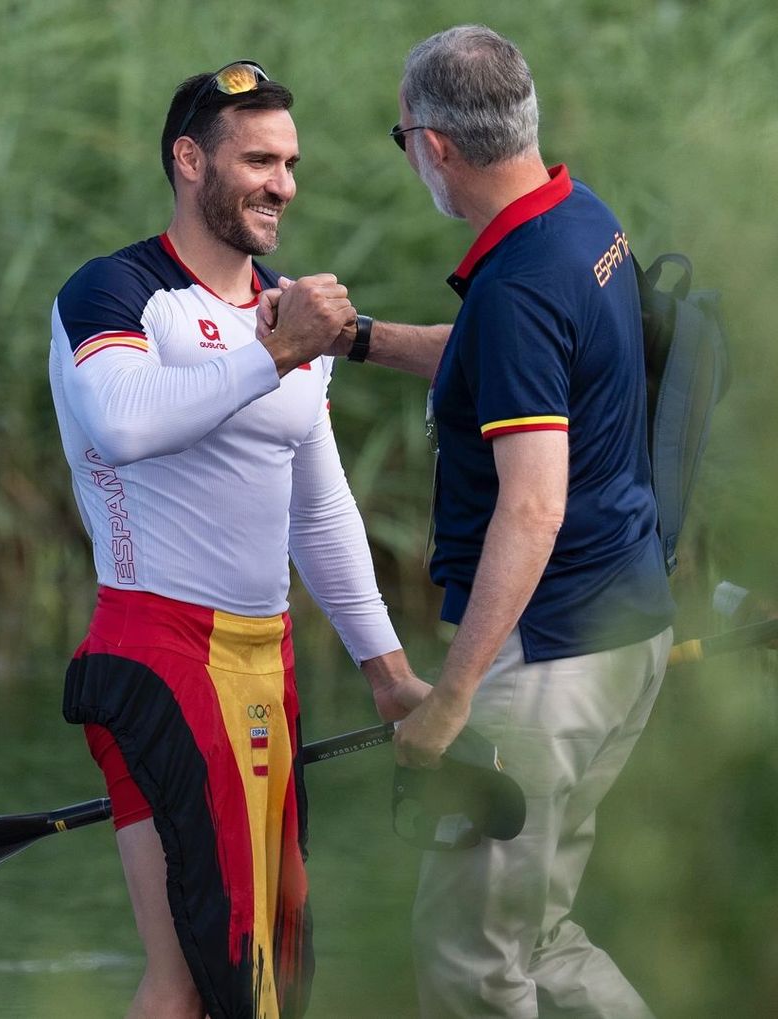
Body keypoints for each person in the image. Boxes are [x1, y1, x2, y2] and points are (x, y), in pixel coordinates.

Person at [258, 24, 676, 1019]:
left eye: (400, 136)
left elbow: (532, 504)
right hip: (626, 636)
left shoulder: (521, 281)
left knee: (469, 965)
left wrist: (450, 698)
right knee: (539, 937)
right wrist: (355, 340)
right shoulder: (578, 224)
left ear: (433, 145)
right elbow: (502, 351)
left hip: (547, 668)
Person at [47, 61, 427, 1019]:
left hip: (268, 663)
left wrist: (388, 675)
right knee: (241, 985)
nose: (283, 184)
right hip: (156, 652)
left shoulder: (286, 304)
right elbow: (122, 423)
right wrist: (276, 351)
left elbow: (321, 509)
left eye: (291, 162)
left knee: (233, 982)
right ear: (188, 160)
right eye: (258, 159)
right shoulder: (113, 292)